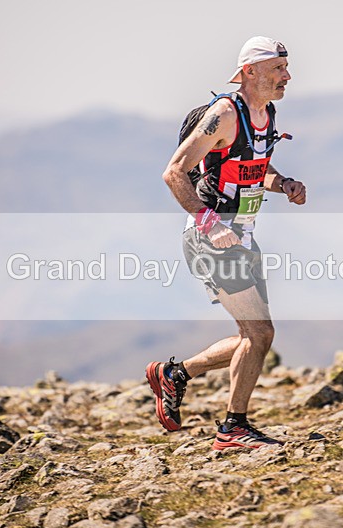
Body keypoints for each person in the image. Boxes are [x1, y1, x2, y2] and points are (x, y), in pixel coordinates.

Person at [145, 36, 306, 450]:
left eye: (286, 68)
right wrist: (210, 223)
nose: (287, 76)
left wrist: (283, 183)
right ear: (249, 72)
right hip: (212, 239)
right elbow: (174, 172)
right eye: (278, 69)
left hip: (242, 236)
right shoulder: (225, 113)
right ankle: (232, 427)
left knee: (253, 335)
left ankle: (174, 374)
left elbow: (254, 169)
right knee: (259, 333)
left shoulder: (265, 115)